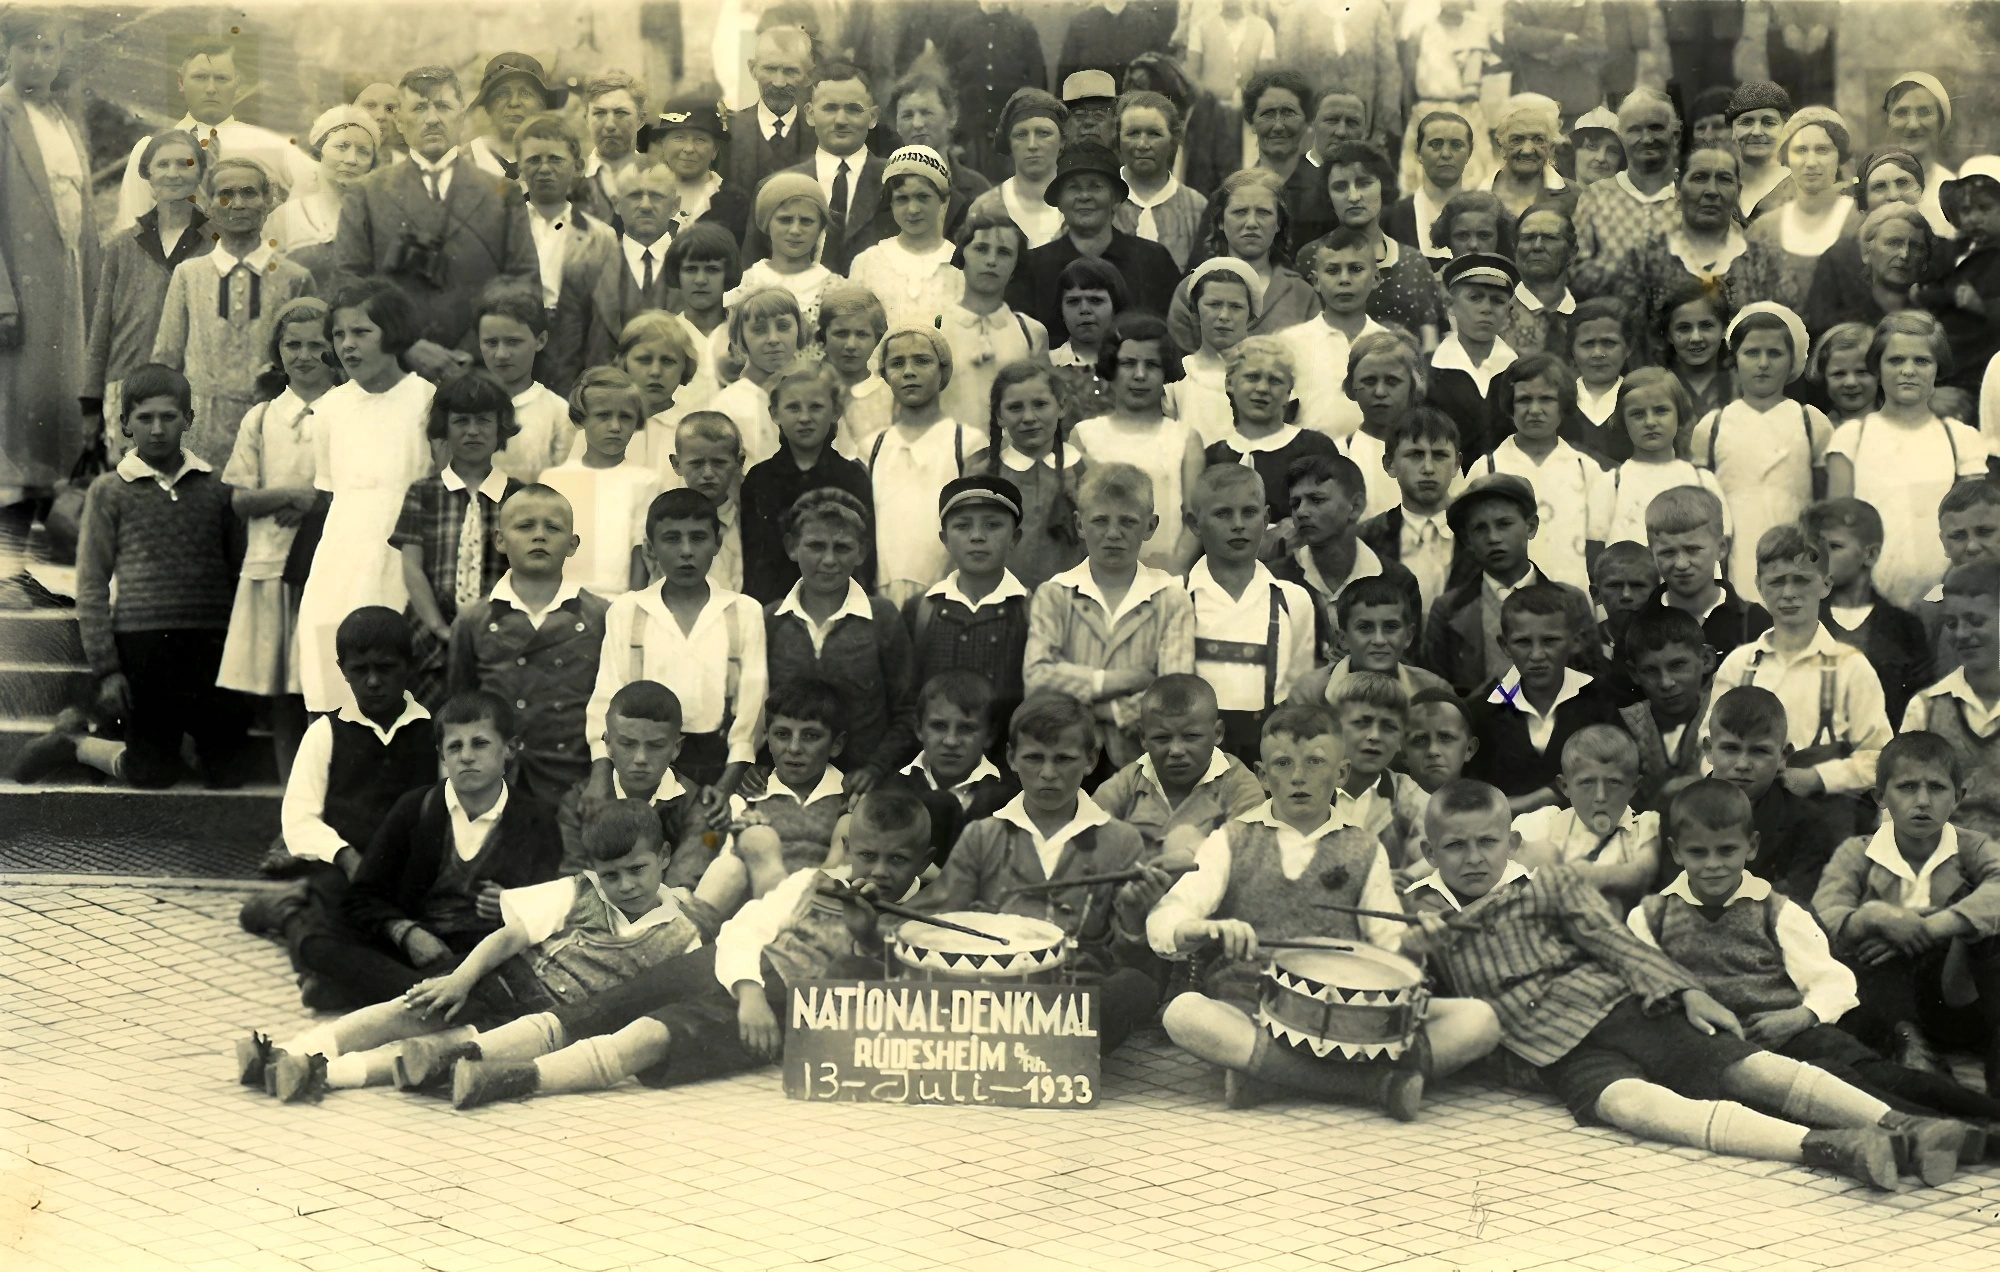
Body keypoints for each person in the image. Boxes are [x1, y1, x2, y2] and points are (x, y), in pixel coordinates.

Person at [1405, 778, 1930, 1193]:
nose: (1473, 857)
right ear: (1430, 853)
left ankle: (1904, 1125)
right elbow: (1425, 1003)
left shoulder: (1549, 886)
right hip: (1552, 1050)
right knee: (1630, 1108)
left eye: (1487, 842)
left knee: (1739, 1065)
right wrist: (1418, 954)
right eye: (1455, 846)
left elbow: (1616, 943)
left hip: (1620, 1006)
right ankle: (1828, 1147)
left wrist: (1686, 991)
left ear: (1512, 843)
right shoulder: (1418, 915)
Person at [441, 788, 933, 1110]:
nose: (879, 871)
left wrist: (869, 938)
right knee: (607, 1006)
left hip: (785, 1005)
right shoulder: (814, 882)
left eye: (897, 860)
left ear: (924, 861)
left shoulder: (929, 919)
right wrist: (749, 991)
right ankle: (461, 1054)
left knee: (649, 1037)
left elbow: (893, 1007)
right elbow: (743, 929)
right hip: (739, 976)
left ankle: (516, 1079)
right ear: (849, 849)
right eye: (867, 855)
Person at [1152, 700, 1495, 1116]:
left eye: (1315, 762)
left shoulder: (1363, 846)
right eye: (1283, 763)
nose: (1299, 777)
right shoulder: (1232, 839)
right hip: (1251, 1006)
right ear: (1262, 775)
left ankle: (1269, 1073)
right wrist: (1203, 929)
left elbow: (1390, 950)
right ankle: (1376, 1085)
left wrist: (1415, 945)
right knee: (1184, 1013)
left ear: (1341, 773)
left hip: (1352, 1016)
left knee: (1480, 1019)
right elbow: (1166, 919)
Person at [245, 797, 711, 1103]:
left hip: (543, 1021)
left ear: (664, 858)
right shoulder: (581, 890)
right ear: (595, 870)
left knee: (444, 1048)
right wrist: (460, 980)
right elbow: (510, 936)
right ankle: (290, 1051)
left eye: (637, 870)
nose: (625, 885)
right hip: (506, 980)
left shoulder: (684, 934)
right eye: (612, 875)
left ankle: (323, 1075)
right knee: (408, 1011)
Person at [1630, 778, 2000, 1152]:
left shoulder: (1776, 910)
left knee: (1884, 1077)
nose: (1713, 865)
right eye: (1698, 853)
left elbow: (1834, 981)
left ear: (1751, 846)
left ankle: (1988, 1116)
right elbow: (1646, 982)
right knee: (1840, 1091)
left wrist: (1800, 1017)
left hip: (1798, 1032)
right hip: (1737, 1056)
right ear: (1676, 852)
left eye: (1727, 851)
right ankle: (1961, 1137)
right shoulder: (1651, 917)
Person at [19, 364, 246, 790]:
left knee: (228, 774)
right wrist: (108, 669)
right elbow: (91, 585)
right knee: (151, 775)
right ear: (125, 423)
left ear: (188, 420)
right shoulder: (110, 490)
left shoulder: (217, 487)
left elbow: (237, 571)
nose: (157, 429)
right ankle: (75, 743)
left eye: (169, 417)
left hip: (209, 646)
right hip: (144, 646)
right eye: (145, 418)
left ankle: (182, 742)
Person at [916, 690, 1167, 1049]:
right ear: (1011, 758)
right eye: (1034, 758)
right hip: (993, 989)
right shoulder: (983, 835)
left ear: (1091, 759)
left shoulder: (1121, 840)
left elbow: (1129, 957)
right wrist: (869, 926)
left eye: (1063, 759)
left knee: (1135, 986)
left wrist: (1134, 913)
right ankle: (1034, 1046)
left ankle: (1040, 1046)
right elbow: (939, 919)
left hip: (1079, 997)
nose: (1048, 774)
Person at [293, 691, 563, 1012]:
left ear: (510, 748)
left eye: (480, 744)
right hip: (417, 950)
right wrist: (407, 934)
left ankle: (394, 995)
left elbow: (548, 908)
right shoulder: (415, 808)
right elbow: (363, 897)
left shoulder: (536, 820)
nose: (466, 757)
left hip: (484, 954)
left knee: (516, 968)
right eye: (454, 747)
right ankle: (446, 1000)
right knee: (317, 942)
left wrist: (511, 904)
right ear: (442, 755)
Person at [1814, 732, 2000, 1095]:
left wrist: (1932, 927)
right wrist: (1872, 917)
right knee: (1853, 953)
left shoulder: (1972, 848)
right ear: (1880, 797)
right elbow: (1823, 916)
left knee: (1989, 937)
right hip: (1883, 1000)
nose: (1923, 801)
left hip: (1952, 999)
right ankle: (1910, 1048)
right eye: (1907, 787)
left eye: (1937, 788)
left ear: (1958, 797)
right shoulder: (1858, 853)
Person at [230, 607, 432, 926]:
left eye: (386, 668)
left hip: (410, 868)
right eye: (359, 670)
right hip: (345, 867)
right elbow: (299, 820)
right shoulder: (325, 732)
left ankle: (301, 905)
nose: (373, 681)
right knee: (335, 926)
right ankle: (289, 911)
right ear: (342, 670)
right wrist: (346, 856)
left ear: (411, 665)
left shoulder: (434, 732)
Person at [332, 66, 538, 373]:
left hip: (480, 370)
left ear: (461, 117)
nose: (432, 119)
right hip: (393, 370)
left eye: (442, 106)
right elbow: (350, 285)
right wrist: (406, 346)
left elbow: (522, 281)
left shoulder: (501, 194)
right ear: (399, 121)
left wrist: (475, 348)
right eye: (419, 108)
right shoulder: (366, 195)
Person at [293, 282, 437, 716]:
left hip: (402, 553)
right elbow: (333, 489)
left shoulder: (426, 400)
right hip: (341, 553)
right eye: (339, 335)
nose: (347, 345)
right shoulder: (330, 408)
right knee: (331, 666)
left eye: (361, 332)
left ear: (392, 334)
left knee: (395, 672)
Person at [587, 485, 767, 804]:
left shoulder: (743, 612)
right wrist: (600, 779)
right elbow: (605, 700)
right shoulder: (628, 611)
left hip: (720, 768)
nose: (686, 551)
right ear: (651, 547)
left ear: (717, 543)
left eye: (698, 538)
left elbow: (751, 713)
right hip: (643, 766)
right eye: (671, 539)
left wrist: (725, 787)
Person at [212, 299, 331, 778]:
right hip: (270, 566)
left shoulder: (347, 412)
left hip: (325, 568)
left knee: (323, 687)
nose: (304, 356)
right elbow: (241, 499)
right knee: (283, 691)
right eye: (292, 345)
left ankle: (326, 798)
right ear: (277, 350)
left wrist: (314, 503)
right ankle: (291, 798)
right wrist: (288, 495)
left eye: (316, 345)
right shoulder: (261, 418)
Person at [1024, 462, 1196, 771]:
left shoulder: (1171, 597)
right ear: (1079, 524)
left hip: (1137, 761)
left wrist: (1111, 712)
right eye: (1100, 521)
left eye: (1128, 522)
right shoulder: (1055, 593)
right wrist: (1118, 681)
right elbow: (1037, 678)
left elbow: (1173, 695)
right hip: (1064, 760)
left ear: (1150, 526)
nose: (1113, 533)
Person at [1704, 524, 1892, 805]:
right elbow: (1708, 744)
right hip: (1748, 810)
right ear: (1759, 586)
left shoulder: (1851, 668)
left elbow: (1879, 758)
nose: (1789, 593)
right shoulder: (1740, 666)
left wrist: (1819, 778)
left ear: (1826, 584)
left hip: (1822, 812)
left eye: (1802, 580)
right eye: (1776, 582)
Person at [448, 485, 608, 806]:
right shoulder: (474, 620)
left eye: (553, 528)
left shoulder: (600, 616)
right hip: (498, 784)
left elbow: (609, 709)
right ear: (500, 540)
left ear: (573, 544)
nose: (539, 536)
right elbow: (459, 709)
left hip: (573, 784)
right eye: (525, 526)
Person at [150, 158, 314, 467]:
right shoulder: (189, 275)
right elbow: (166, 360)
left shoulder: (294, 278)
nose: (238, 204)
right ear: (209, 205)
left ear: (269, 200)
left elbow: (310, 364)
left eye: (249, 192)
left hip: (271, 427)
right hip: (201, 430)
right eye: (225, 194)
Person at [0, 10, 97, 516]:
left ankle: (53, 521)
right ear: (7, 51)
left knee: (63, 406)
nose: (38, 59)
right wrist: (3, 299)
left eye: (48, 49)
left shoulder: (63, 119)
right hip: (20, 285)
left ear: (60, 56)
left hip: (69, 279)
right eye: (27, 48)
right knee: (18, 413)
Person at [1826, 312, 1988, 609]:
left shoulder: (1961, 440)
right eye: (1896, 360)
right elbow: (1838, 534)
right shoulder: (1852, 439)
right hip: (1872, 605)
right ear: (1877, 367)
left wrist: (1942, 595)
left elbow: (1975, 533)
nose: (1908, 371)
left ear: (1938, 368)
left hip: (1947, 602)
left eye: (1922, 361)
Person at [764, 487, 918, 791]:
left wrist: (875, 770)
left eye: (843, 547)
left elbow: (908, 710)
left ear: (861, 551)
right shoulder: (771, 619)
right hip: (787, 783)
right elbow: (756, 710)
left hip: (864, 785)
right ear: (792, 547)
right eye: (816, 546)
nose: (829, 560)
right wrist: (758, 767)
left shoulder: (882, 617)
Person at [390, 372, 524, 706]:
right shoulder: (423, 493)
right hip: (431, 638)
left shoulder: (517, 496)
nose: (473, 431)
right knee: (432, 719)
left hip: (497, 640)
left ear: (500, 428)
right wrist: (439, 628)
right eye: (461, 421)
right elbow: (412, 569)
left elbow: (523, 573)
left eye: (484, 421)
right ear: (444, 429)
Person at [1690, 304, 1830, 603]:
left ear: (1791, 361)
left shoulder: (1810, 421)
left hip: (1797, 556)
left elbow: (1825, 506)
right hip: (1735, 559)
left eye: (1775, 353)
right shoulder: (1712, 427)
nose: (1763, 363)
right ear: (1734, 360)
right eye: (1752, 353)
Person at [82, 130, 210, 457]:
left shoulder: (217, 243)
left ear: (200, 172)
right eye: (163, 164)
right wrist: (91, 403)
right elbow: (100, 331)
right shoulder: (121, 247)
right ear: (147, 174)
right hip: (128, 388)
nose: (173, 173)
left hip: (196, 394)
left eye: (185, 163)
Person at [1422, 472, 1596, 698]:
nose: (1493, 538)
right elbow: (1437, 695)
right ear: (1467, 540)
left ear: (1530, 527)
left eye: (1504, 524)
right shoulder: (1448, 609)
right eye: (1480, 528)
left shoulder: (1571, 601)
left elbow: (1592, 681)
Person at [1184, 465, 1315, 761]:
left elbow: (1299, 695)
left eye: (1249, 513)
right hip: (1193, 758)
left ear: (1266, 519)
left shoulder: (1293, 600)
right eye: (1222, 514)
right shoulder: (1177, 599)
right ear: (1195, 523)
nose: (1238, 525)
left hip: (1267, 756)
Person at [111, 35, 302, 232]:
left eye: (221, 78)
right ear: (181, 82)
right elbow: (132, 227)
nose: (211, 89)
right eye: (200, 77)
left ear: (236, 84)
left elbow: (314, 201)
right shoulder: (148, 149)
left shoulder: (271, 145)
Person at [1611, 148, 1785, 359]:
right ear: (1678, 188)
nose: (1711, 190)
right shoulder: (1642, 261)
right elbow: (1631, 343)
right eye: (1699, 178)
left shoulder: (1766, 262)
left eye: (1724, 179)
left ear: (1738, 192)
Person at [1464, 582, 1621, 810]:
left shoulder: (1603, 701)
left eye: (1550, 641)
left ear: (1575, 642)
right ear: (1505, 645)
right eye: (1523, 642)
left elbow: (1618, 772)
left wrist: (1541, 798)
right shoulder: (1482, 711)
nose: (1537, 655)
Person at [1070, 314, 1204, 570]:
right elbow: (1075, 518)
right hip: (1100, 574)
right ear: (1112, 368)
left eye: (1152, 365)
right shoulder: (1084, 436)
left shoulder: (1184, 438)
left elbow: (1194, 518)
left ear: (1165, 371)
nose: (1140, 375)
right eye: (1128, 363)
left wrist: (1176, 567)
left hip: (1164, 572)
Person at [905, 475, 1033, 736]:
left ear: (1015, 537)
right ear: (945, 539)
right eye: (962, 526)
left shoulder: (1032, 609)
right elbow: (906, 700)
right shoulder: (922, 609)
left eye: (992, 525)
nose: (977, 537)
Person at [1091, 673, 1266, 864]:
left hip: (1208, 880)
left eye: (1191, 736)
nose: (1176, 750)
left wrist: (1192, 854)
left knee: (1183, 837)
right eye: (1162, 738)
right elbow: (1086, 832)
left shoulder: (1238, 783)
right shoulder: (1130, 781)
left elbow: (1250, 849)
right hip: (1133, 880)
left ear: (1217, 733)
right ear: (1143, 737)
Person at [1015, 142, 1182, 339]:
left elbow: (1175, 334)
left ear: (1116, 199)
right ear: (1059, 201)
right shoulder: (1033, 266)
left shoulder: (1153, 260)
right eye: (1073, 187)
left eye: (1095, 186)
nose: (1084, 196)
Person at [739, 359, 873, 604]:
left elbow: (865, 557)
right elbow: (755, 559)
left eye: (816, 407)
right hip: (776, 606)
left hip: (840, 603)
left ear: (835, 411)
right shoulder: (760, 479)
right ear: (775, 413)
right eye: (793, 407)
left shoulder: (852, 477)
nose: (804, 418)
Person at [742, 62, 889, 276]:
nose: (841, 120)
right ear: (810, 114)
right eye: (830, 108)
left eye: (853, 109)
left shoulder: (895, 181)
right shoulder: (774, 187)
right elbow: (752, 272)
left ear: (873, 117)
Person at [863, 327, 976, 605]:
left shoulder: (966, 443)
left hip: (947, 592)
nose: (909, 372)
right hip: (882, 593)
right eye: (897, 363)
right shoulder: (872, 447)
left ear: (942, 369)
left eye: (922, 361)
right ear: (885, 375)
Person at [1482, 353, 1608, 593]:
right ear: (1510, 405)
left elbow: (1599, 546)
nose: (1535, 409)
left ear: (1563, 404)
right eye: (1524, 399)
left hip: (1572, 597)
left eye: (1546, 399)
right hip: (1507, 598)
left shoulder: (1586, 469)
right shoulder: (1489, 467)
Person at [551, 165, 681, 392]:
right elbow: (566, 359)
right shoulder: (586, 267)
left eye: (656, 196)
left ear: (675, 206)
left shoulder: (694, 266)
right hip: (605, 401)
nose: (645, 205)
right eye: (634, 196)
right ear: (617, 204)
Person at [1805, 498, 1932, 727]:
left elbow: (1917, 706)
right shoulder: (1802, 620)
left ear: (1870, 554)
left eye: (1834, 547)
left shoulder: (1904, 627)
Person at [538, 368, 659, 600]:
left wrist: (631, 607)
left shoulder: (644, 481)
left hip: (616, 599)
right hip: (560, 598)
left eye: (625, 417)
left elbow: (640, 553)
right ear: (582, 419)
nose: (615, 427)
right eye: (603, 415)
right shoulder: (554, 479)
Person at [1168, 172, 1320, 356]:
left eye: (1263, 212)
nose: (1251, 223)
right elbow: (1180, 363)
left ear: (1279, 223)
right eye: (1240, 212)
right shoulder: (1190, 289)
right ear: (1221, 221)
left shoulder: (1302, 294)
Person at [1511, 725, 1659, 912]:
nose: (1600, 796)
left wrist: (1581, 874)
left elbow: (1641, 873)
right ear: (1564, 786)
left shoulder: (1642, 826)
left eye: (1614, 782)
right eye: (1587, 782)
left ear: (1633, 787)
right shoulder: (1548, 822)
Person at [509, 115, 616, 367]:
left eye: (555, 159)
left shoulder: (599, 236)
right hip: (514, 344)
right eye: (533, 160)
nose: (545, 169)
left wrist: (594, 371)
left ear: (577, 167)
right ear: (520, 169)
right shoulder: (502, 229)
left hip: (574, 350)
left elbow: (605, 315)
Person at [1359, 408, 1479, 626]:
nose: (1428, 468)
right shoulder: (1367, 539)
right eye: (1415, 455)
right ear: (1390, 464)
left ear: (1456, 464)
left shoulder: (1479, 535)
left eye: (1440, 455)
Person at [1202, 337, 1337, 528]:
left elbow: (1334, 514)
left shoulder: (1314, 448)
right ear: (1230, 383)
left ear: (1288, 392)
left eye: (1275, 380)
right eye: (1252, 377)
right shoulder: (1212, 457)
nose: (1263, 388)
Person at [1901, 563, 2000, 823]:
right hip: (1943, 842)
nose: (1962, 634)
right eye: (1951, 624)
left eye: (1976, 621)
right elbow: (1899, 800)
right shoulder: (1927, 707)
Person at [1321, 143, 1444, 348]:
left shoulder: (1412, 262)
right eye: (1340, 187)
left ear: (1383, 186)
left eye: (1364, 183)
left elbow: (1430, 343)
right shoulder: (1312, 257)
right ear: (1328, 196)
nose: (1353, 196)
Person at [728, 679, 856, 875]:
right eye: (782, 734)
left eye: (810, 736)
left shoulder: (851, 799)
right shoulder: (747, 795)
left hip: (827, 890)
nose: (794, 748)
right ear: (767, 739)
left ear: (836, 744)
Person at [1802, 148, 1930, 339]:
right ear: (1864, 203)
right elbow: (1819, 331)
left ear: (1920, 191)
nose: (1893, 195)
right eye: (1879, 186)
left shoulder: (1938, 249)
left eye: (1902, 183)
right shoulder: (1839, 259)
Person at [978, 360, 1085, 591]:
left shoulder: (1083, 472)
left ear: (1062, 406)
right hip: (1001, 598)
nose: (1028, 417)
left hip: (1068, 599)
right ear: (999, 415)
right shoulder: (984, 476)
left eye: (1040, 404)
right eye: (1015, 407)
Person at [1600, 370, 1729, 552]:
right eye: (1638, 414)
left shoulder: (1702, 481)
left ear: (1679, 416)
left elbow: (1720, 549)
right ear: (1624, 422)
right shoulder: (1612, 484)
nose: (1650, 422)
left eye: (1661, 411)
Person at [1571, 89, 1682, 300]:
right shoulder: (1595, 197)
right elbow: (1576, 276)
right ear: (1621, 139)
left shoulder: (1694, 194)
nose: (1646, 139)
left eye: (1656, 128)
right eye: (1635, 130)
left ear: (1675, 135)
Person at [1280, 228, 1388, 440]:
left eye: (1356, 269)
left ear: (1375, 278)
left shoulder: (1390, 343)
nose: (1344, 279)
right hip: (1311, 456)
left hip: (1375, 455)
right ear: (1316, 281)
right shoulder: (1289, 343)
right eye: (1332, 270)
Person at [1745, 110, 1857, 314]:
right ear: (1787, 158)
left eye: (1822, 150)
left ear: (1840, 157)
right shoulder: (1763, 229)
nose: (1811, 162)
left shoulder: (1859, 222)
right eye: (1801, 150)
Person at [893, 670, 1017, 853]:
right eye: (939, 726)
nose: (951, 741)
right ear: (918, 728)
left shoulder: (1009, 799)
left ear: (990, 735)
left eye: (967, 728)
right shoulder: (894, 789)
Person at [1644, 484, 1770, 663]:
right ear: (1651, 555)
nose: (1681, 564)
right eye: (1667, 552)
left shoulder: (1755, 623)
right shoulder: (1638, 624)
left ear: (1721, 548)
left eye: (1693, 550)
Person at [848, 146, 964, 332]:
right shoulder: (867, 264)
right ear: (891, 203)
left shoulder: (960, 265)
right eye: (902, 199)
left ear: (944, 201)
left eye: (923, 197)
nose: (913, 209)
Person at [1286, 574, 1446, 709]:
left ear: (1408, 636)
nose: (1379, 640)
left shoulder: (1434, 691)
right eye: (1365, 628)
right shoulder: (1309, 694)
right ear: (1343, 638)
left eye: (1391, 627)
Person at [1612, 606, 1713, 815]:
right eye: (1650, 671)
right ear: (1634, 673)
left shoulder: (1724, 715)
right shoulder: (1623, 726)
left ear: (1706, 659)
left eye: (1677, 665)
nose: (1666, 682)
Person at [263, 106, 379, 286]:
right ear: (320, 151)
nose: (351, 159)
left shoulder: (381, 217)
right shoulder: (285, 217)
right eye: (342, 146)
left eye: (363, 151)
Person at [1913, 158, 2000, 396]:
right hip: (1947, 353)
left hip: (1981, 365)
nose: (1973, 218)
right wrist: (1924, 293)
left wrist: (1982, 306)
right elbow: (1940, 282)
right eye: (1966, 210)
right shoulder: (1958, 249)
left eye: (1984, 208)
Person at [938, 1, 1049, 185]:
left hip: (1012, 131)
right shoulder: (961, 30)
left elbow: (1037, 82)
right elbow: (948, 83)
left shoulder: (1023, 29)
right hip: (971, 133)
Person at [471, 285, 573, 484]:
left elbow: (564, 484)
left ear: (540, 340)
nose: (501, 354)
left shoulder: (558, 412)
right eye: (491, 343)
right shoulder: (462, 405)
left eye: (513, 342)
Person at [1268, 0, 1403, 142]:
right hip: (1312, 133)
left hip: (1362, 133)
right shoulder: (1297, 11)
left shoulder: (1374, 10)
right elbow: (1287, 77)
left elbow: (1389, 74)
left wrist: (1380, 132)